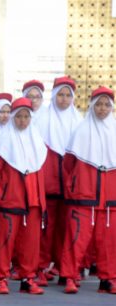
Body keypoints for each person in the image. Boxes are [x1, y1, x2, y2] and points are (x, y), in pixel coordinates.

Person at [0, 97, 47, 295]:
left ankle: (27, 278)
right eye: (19, 116)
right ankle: (0, 277)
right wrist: (5, 186)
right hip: (9, 198)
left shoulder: (37, 141)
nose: (22, 120)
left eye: (26, 117)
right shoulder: (3, 140)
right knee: (5, 240)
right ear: (12, 117)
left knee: (30, 242)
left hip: (33, 200)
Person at [60, 86, 116, 294]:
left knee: (109, 242)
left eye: (106, 105)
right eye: (99, 104)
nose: (102, 109)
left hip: (110, 198)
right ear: (92, 106)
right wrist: (75, 185)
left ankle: (108, 278)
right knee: (76, 239)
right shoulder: (81, 130)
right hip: (83, 197)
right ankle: (70, 276)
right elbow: (68, 164)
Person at [35, 76, 83, 286]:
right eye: (60, 95)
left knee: (67, 228)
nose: (63, 100)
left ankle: (65, 267)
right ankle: (41, 266)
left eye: (67, 96)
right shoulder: (41, 119)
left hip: (71, 186)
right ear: (54, 96)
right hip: (49, 184)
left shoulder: (79, 121)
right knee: (46, 228)